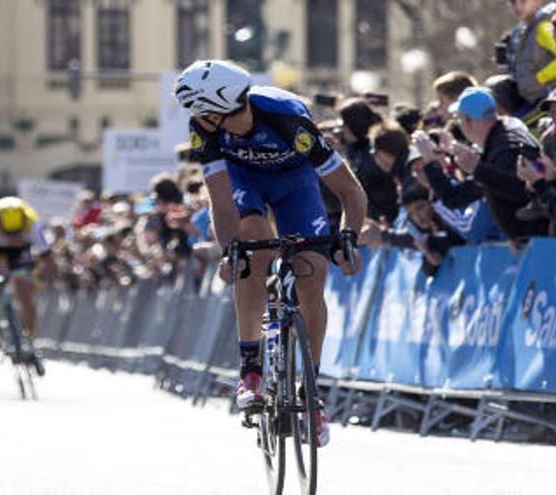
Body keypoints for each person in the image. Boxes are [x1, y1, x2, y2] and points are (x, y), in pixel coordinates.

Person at [173, 59, 367, 447]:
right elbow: (221, 202)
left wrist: (348, 237)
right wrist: (231, 252)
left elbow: (350, 191)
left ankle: (310, 395)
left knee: (312, 274)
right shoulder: (205, 131)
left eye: (199, 111)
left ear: (217, 110)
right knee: (250, 245)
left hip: (297, 185)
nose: (196, 118)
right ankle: (251, 371)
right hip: (245, 183)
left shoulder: (287, 120)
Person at [414, 87, 550, 243]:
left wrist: (433, 162)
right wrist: (453, 149)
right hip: (531, 244)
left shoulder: (505, 147)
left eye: (458, 119)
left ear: (467, 121)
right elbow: (454, 197)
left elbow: (522, 190)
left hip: (541, 245)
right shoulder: (505, 132)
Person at [0, 196, 55, 376]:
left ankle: (30, 344)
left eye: (15, 233)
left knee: (24, 293)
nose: (11, 238)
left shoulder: (33, 225)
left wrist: (39, 281)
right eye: (7, 234)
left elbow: (48, 260)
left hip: (20, 251)